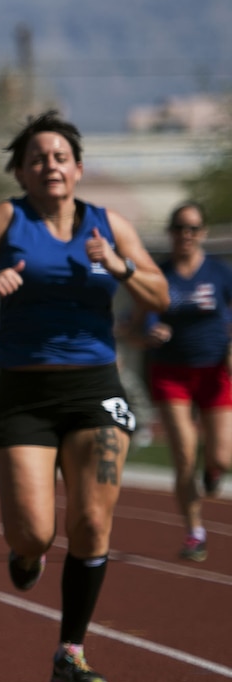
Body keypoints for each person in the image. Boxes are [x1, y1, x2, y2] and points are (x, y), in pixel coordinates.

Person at [0, 110, 167, 682]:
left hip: (95, 389)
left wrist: (119, 265)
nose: (50, 166)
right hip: (25, 394)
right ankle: (25, 555)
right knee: (34, 531)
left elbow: (159, 291)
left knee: (91, 522)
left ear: (78, 168)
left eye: (60, 157)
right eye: (37, 158)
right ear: (22, 171)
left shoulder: (108, 224)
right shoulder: (7, 219)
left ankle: (71, 649)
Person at [132, 202, 232, 561]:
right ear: (171, 232)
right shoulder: (159, 275)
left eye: (192, 228)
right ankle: (195, 532)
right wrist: (150, 331)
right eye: (179, 228)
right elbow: (141, 315)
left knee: (222, 454)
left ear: (202, 232)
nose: (185, 235)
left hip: (214, 372)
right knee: (184, 455)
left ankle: (214, 468)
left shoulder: (220, 273)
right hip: (171, 373)